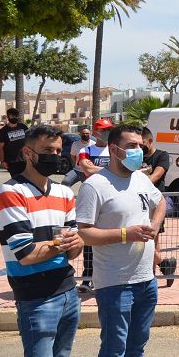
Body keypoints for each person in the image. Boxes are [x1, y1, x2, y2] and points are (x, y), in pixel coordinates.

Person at [0, 125, 89, 357]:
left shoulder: (64, 192)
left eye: (59, 149)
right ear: (29, 153)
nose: (56, 155)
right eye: (48, 150)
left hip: (67, 292)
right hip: (35, 300)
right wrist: (59, 245)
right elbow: (25, 253)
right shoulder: (10, 193)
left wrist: (68, 244)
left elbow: (75, 245)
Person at [77, 124, 168, 357]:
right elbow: (85, 232)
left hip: (146, 277)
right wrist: (126, 234)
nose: (138, 151)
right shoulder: (96, 185)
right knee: (114, 346)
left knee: (138, 342)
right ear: (113, 149)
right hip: (115, 281)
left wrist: (154, 226)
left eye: (140, 145)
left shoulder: (142, 178)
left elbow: (161, 203)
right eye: (130, 145)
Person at [76, 118, 114, 293]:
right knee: (89, 238)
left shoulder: (114, 149)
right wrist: (112, 170)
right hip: (93, 199)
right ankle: (87, 277)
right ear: (96, 132)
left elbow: (93, 169)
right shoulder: (87, 150)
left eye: (109, 130)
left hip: (111, 197)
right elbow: (86, 169)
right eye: (104, 130)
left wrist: (97, 169)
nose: (107, 133)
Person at [141, 128, 176, 287]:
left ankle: (152, 274)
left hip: (155, 202)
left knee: (154, 239)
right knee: (143, 239)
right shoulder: (136, 156)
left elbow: (156, 176)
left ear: (150, 141)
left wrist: (136, 179)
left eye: (142, 144)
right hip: (138, 201)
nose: (139, 148)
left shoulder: (162, 155)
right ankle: (164, 265)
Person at [0, 108, 30, 177]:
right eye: (12, 116)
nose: (14, 118)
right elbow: (0, 147)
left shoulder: (23, 127)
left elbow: (30, 140)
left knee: (28, 180)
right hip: (12, 162)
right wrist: (2, 161)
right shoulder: (3, 131)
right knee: (17, 181)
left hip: (25, 160)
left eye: (16, 116)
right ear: (8, 117)